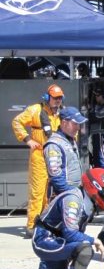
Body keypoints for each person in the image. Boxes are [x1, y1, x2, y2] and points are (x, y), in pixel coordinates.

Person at [0, 168, 104, 269]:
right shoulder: (73, 200)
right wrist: (94, 240)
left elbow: (73, 234)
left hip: (58, 243)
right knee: (85, 249)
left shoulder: (87, 202)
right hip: (44, 240)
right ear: (94, 186)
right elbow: (71, 233)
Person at [11, 84, 64, 235]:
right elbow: (17, 122)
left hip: (56, 157)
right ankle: (32, 225)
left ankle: (46, 222)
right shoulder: (35, 110)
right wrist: (27, 139)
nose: (57, 101)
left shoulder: (62, 113)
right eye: (55, 98)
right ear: (48, 97)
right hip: (39, 156)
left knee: (52, 193)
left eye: (60, 98)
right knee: (38, 192)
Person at [44, 106, 86, 198]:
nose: (78, 128)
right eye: (75, 124)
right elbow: (56, 176)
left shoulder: (70, 140)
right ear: (64, 123)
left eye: (79, 124)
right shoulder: (54, 144)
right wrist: (71, 192)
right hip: (64, 196)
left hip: (74, 193)